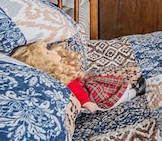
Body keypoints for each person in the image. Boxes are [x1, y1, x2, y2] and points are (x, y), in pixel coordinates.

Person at [11, 41, 146, 112]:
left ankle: (131, 88)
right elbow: (75, 88)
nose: (51, 51)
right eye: (47, 53)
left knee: (109, 83)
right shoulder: (63, 79)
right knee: (108, 93)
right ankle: (134, 92)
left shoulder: (61, 70)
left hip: (87, 85)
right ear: (46, 64)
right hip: (88, 93)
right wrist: (85, 102)